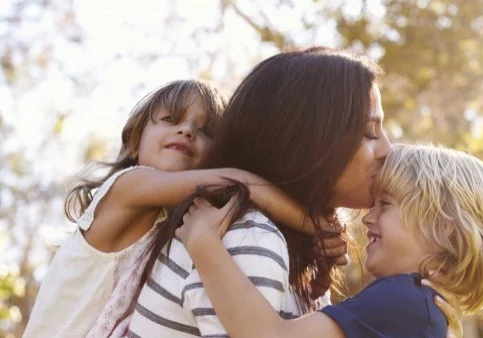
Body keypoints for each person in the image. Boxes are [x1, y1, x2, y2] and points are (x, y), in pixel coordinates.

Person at [126, 47, 462, 338]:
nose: (387, 149)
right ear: (310, 142)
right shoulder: (250, 239)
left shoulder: (284, 245)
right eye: (369, 132)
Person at [23, 79, 341, 338]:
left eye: (205, 131)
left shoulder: (172, 226)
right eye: (171, 120)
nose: (187, 131)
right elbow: (238, 181)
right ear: (134, 143)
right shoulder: (126, 187)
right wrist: (315, 225)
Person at [178, 144, 483, 338]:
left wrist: (204, 244)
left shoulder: (403, 300)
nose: (368, 217)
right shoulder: (419, 308)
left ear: (444, 230)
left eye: (386, 205)